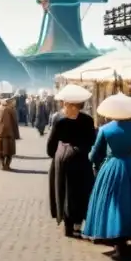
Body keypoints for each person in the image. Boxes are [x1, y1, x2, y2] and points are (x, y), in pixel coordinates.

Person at [82, 93, 131, 257]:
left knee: (112, 204)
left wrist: (93, 160)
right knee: (130, 204)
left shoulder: (105, 129)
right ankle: (127, 237)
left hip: (111, 168)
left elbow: (95, 153)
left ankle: (117, 242)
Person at [47, 84, 97, 238]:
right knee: (81, 193)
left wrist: (56, 155)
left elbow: (50, 146)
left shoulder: (59, 120)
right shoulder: (88, 120)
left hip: (62, 162)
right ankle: (77, 224)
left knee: (63, 192)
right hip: (82, 162)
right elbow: (92, 141)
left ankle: (67, 225)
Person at [0, 97, 21, 171]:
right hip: (10, 134)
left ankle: (1, 164)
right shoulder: (12, 110)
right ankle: (7, 165)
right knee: (9, 151)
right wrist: (16, 134)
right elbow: (15, 123)